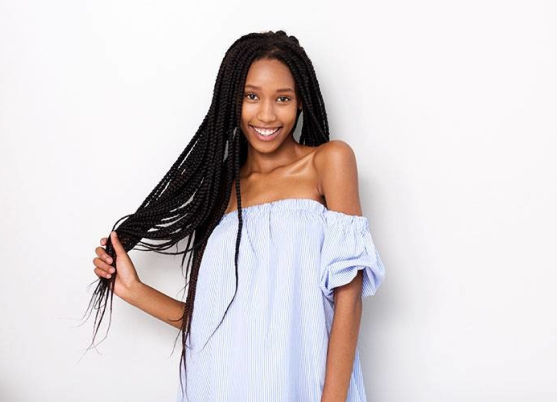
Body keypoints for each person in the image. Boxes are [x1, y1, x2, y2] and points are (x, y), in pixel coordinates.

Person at [89, 30, 385, 401]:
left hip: (302, 385)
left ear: (301, 102)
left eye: (282, 98)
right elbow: (217, 325)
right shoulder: (221, 191)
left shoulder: (329, 162)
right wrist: (134, 291)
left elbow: (349, 297)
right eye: (251, 96)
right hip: (219, 385)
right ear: (233, 100)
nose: (266, 114)